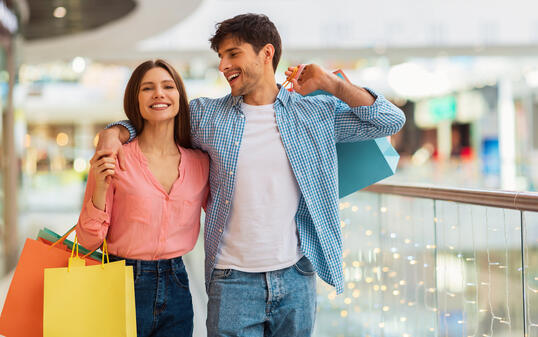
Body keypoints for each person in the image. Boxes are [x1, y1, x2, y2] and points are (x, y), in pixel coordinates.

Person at [96, 13, 405, 337]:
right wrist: (115, 131)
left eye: (233, 53)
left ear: (266, 53)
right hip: (232, 282)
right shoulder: (207, 116)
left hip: (296, 276)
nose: (223, 65)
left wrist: (331, 84)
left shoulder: (314, 114)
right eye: (221, 57)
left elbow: (389, 120)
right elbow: (158, 121)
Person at [77, 59, 209, 337]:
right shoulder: (115, 156)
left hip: (178, 284)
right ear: (135, 100)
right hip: (119, 279)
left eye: (168, 86)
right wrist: (100, 184)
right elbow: (88, 241)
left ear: (179, 97)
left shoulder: (200, 163)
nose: (159, 93)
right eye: (148, 88)